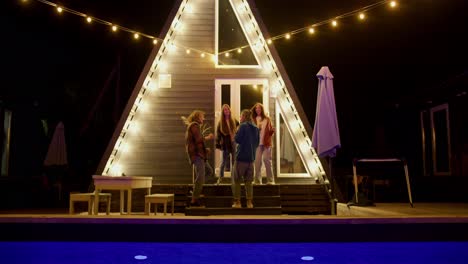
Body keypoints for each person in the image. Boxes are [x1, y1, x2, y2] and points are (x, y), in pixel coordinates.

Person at [183, 110, 214, 207]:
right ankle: (194, 200)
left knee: (209, 172)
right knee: (200, 176)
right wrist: (208, 137)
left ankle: (197, 189)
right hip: (197, 156)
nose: (203, 119)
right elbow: (198, 139)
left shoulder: (196, 126)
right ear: (197, 117)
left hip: (201, 155)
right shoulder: (194, 126)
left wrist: (205, 150)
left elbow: (197, 143)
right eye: (202, 117)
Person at [232, 109, 259, 208]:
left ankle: (237, 202)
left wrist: (235, 133)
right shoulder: (256, 128)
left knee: (237, 180)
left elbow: (238, 139)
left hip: (241, 157)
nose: (240, 118)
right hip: (251, 158)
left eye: (241, 116)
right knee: (248, 182)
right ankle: (249, 203)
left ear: (244, 116)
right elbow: (257, 143)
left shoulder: (242, 126)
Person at [251, 102, 275, 185]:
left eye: (259, 108)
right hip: (257, 143)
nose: (258, 109)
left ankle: (270, 180)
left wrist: (272, 131)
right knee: (257, 162)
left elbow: (271, 130)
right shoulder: (253, 119)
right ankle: (257, 181)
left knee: (267, 160)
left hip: (266, 143)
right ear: (255, 110)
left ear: (262, 109)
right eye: (256, 108)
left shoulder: (267, 119)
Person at [215, 104, 239, 185]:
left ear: (229, 110)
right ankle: (220, 178)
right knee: (223, 162)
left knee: (234, 161)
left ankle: (234, 178)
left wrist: (237, 135)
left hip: (233, 142)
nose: (226, 111)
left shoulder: (233, 120)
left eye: (227, 109)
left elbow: (239, 127)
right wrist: (218, 144)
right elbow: (218, 134)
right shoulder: (221, 122)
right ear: (223, 112)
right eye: (225, 110)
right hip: (225, 144)